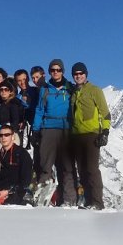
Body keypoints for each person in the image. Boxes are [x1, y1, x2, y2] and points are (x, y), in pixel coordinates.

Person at [32, 58, 77, 205]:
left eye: (58, 70)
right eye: (53, 70)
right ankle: (44, 199)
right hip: (49, 128)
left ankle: (68, 200)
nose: (55, 72)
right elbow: (39, 110)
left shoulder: (70, 88)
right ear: (49, 72)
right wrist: (36, 130)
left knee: (67, 167)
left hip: (66, 129)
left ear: (63, 71)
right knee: (46, 166)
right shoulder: (45, 89)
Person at [70, 62, 111, 210]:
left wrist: (105, 132)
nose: (78, 76)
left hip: (92, 134)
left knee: (92, 169)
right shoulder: (73, 92)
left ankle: (97, 203)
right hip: (76, 135)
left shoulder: (95, 90)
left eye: (81, 73)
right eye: (76, 74)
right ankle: (88, 202)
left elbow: (105, 112)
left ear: (86, 74)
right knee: (81, 170)